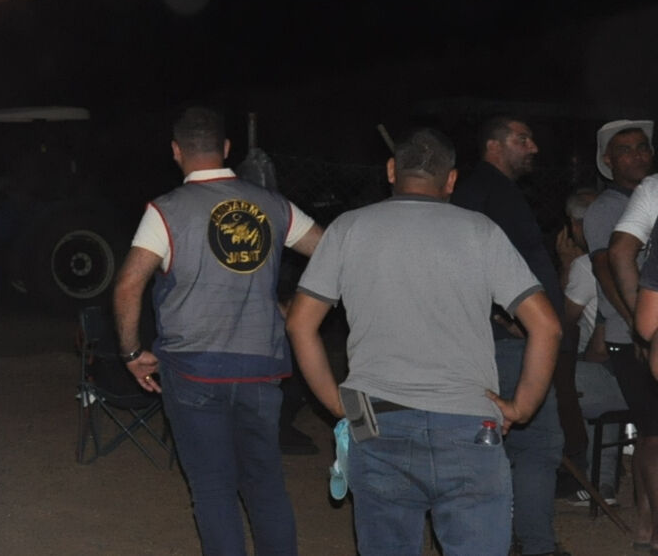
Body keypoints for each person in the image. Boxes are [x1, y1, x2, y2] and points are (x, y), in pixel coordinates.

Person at [287, 127, 559, 556]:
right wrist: (521, 407)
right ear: (451, 180)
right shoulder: (481, 231)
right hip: (470, 424)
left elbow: (301, 324)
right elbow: (547, 325)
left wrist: (340, 407)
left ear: (391, 170)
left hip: (375, 419)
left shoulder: (348, 229)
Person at [111, 106, 323, 556]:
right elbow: (329, 255)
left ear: (176, 151)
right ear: (227, 149)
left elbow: (129, 284)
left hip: (192, 371)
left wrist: (131, 355)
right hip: (261, 370)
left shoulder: (166, 211)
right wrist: (294, 307)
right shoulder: (272, 205)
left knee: (213, 490)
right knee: (265, 487)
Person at [448, 115, 570, 556]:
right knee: (535, 445)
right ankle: (532, 545)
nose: (533, 147)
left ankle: (514, 541)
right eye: (523, 139)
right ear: (493, 146)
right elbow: (454, 254)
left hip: (519, 340)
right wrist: (502, 315)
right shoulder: (480, 189)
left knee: (514, 445)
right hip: (508, 346)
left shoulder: (497, 191)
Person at [586, 118, 658, 543]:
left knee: (651, 433)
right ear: (607, 161)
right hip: (629, 333)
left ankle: (646, 525)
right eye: (626, 149)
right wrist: (638, 328)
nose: (638, 154)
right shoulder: (607, 208)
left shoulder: (645, 197)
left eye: (643, 146)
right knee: (653, 435)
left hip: (638, 330)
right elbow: (607, 267)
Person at [562, 187, 627, 496]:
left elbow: (561, 322)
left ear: (576, 226)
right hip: (632, 374)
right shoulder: (633, 255)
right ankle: (603, 478)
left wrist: (565, 265)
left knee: (560, 376)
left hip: (618, 373)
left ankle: (587, 478)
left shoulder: (585, 266)